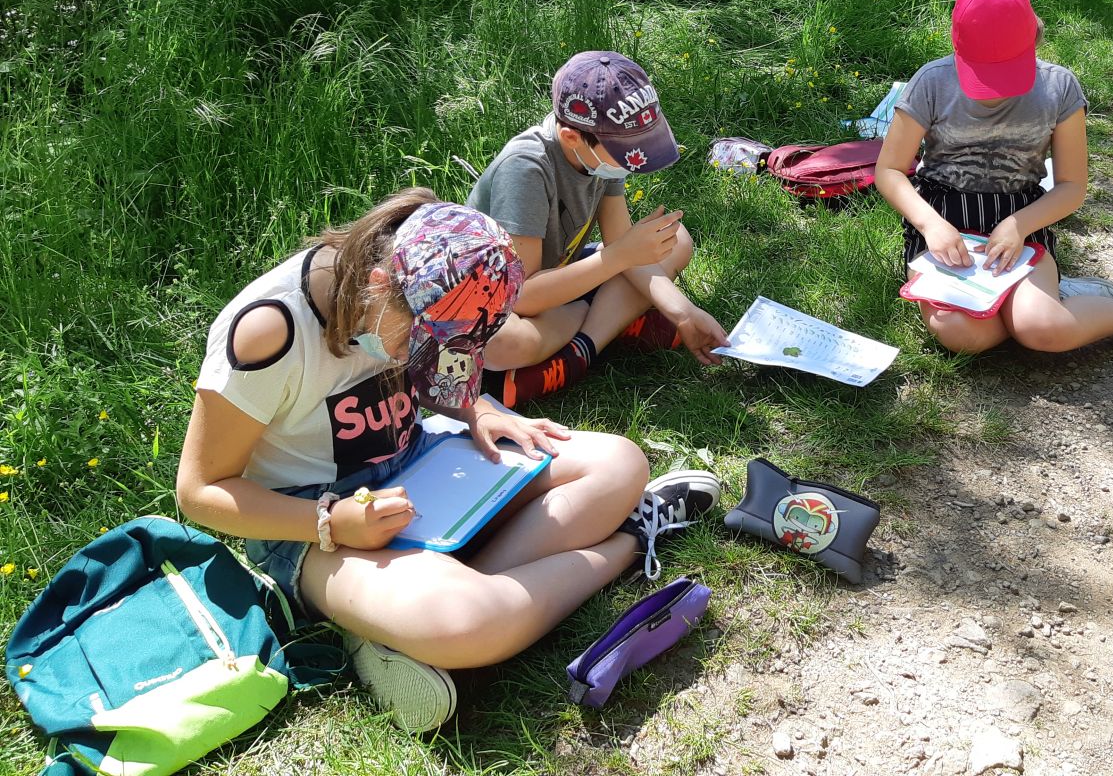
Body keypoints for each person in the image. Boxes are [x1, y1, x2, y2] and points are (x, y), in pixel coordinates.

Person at [176, 191, 719, 732]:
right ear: (379, 284)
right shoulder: (269, 332)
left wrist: (475, 407)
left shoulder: (408, 284)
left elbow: (439, 373)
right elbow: (199, 491)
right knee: (467, 623)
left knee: (618, 464)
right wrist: (328, 522)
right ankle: (627, 540)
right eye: (422, 344)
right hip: (314, 522)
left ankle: (417, 621)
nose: (429, 361)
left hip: (422, 464)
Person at [874, 0, 1113, 365]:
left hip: (1021, 218)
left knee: (1042, 329)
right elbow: (889, 170)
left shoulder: (1059, 88)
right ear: (957, 48)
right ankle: (1062, 299)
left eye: (1006, 75)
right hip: (943, 222)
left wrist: (1018, 225)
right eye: (983, 78)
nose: (997, 91)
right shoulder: (932, 82)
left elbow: (1072, 185)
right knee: (963, 334)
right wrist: (930, 225)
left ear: (1036, 39)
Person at [467, 51, 729, 407]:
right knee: (503, 346)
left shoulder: (602, 159)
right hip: (504, 299)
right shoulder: (526, 169)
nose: (631, 162)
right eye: (625, 152)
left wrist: (683, 312)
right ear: (572, 137)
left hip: (561, 280)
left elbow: (620, 239)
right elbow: (522, 297)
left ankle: (579, 349)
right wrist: (617, 258)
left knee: (676, 239)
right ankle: (603, 326)